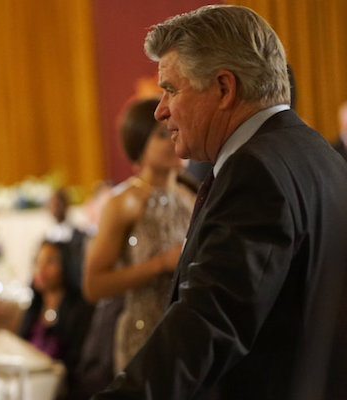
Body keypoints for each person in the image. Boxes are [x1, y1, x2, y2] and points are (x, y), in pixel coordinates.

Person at [94, 5, 347, 400]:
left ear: (224, 89)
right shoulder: (322, 157)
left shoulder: (255, 172)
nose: (160, 110)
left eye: (171, 89)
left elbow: (210, 322)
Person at [83, 98, 193, 375]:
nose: (173, 138)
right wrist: (161, 264)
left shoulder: (191, 197)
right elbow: (93, 286)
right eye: (161, 134)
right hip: (143, 336)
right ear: (139, 144)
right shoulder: (124, 202)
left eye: (176, 128)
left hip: (187, 334)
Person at [18, 240, 94, 400]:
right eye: (37, 261)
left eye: (50, 261)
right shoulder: (34, 308)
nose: (41, 268)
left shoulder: (81, 310)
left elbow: (78, 365)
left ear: (67, 265)